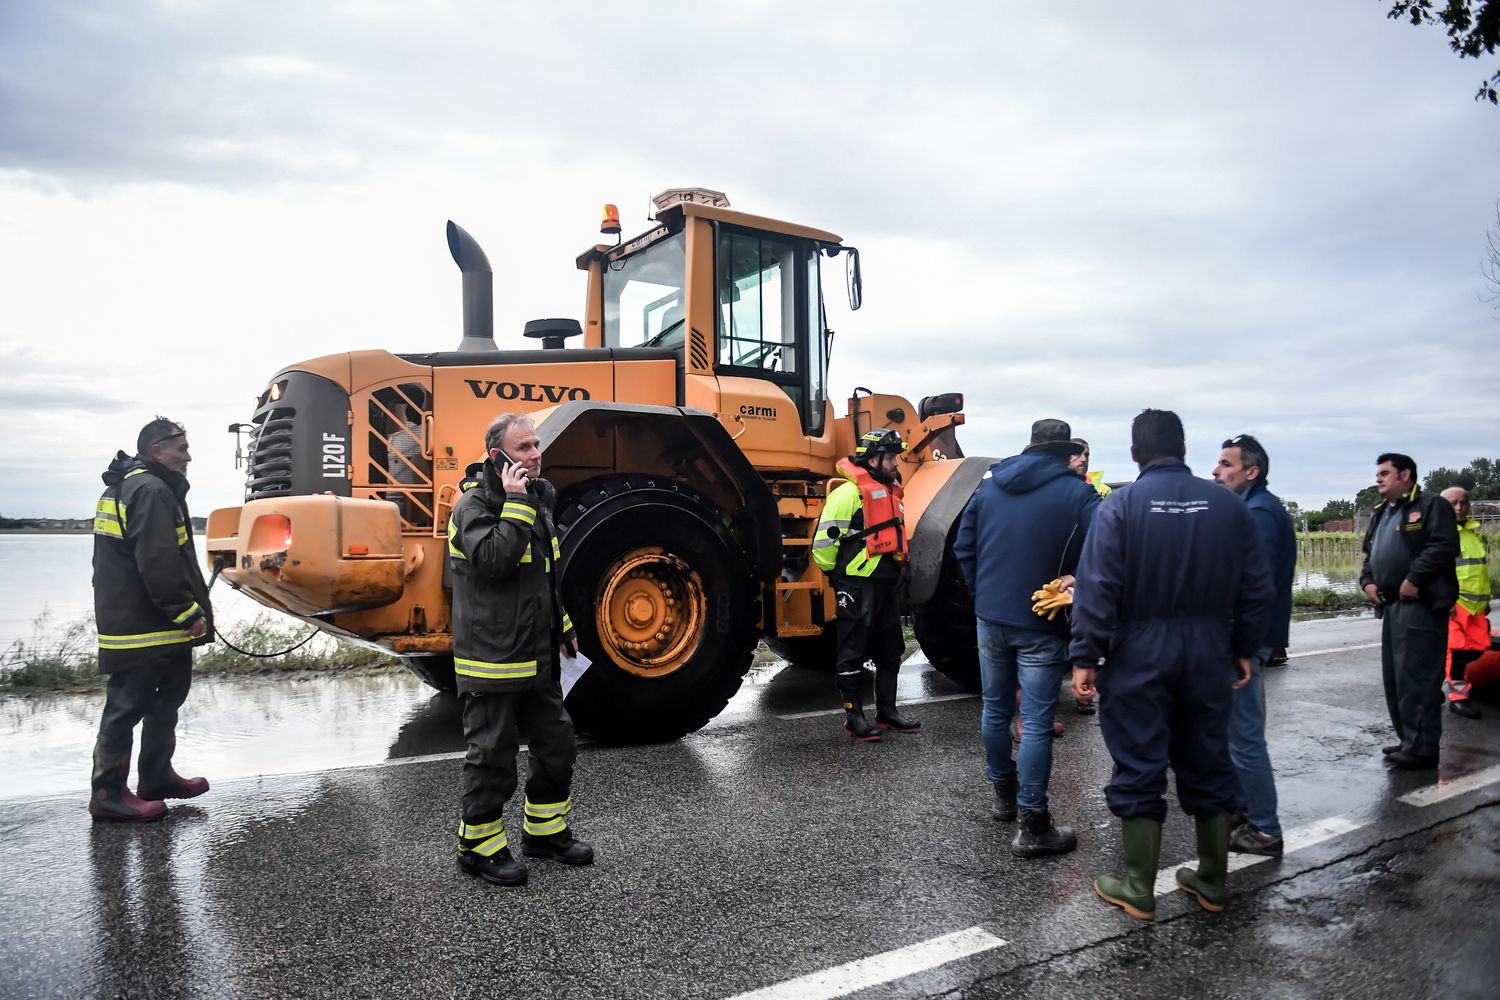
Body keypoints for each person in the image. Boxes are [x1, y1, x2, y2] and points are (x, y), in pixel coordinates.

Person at [1072, 409, 1273, 920]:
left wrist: (1085, 656)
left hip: (1139, 649)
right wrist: (1244, 648)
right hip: (1209, 648)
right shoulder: (1229, 508)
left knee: (1139, 760)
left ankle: (1139, 885)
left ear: (1136, 452)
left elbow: (1097, 589)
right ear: (1183, 449)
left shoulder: (1120, 507)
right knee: (1208, 757)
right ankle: (1211, 879)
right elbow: (1256, 588)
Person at [448, 412, 592, 887]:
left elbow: (543, 575)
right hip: (491, 659)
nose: (536, 454)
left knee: (557, 745)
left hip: (539, 653)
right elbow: (494, 562)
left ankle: (544, 833)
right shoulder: (472, 507)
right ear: (498, 457)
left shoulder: (537, 499)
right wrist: (514, 504)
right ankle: (479, 848)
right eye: (525, 447)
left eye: (536, 445)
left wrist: (563, 623)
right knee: (492, 756)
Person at [955, 418, 1100, 857]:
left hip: (990, 616)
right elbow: (1108, 550)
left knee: (996, 708)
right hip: (1041, 620)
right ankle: (1032, 823)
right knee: (1035, 721)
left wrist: (986, 596)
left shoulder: (990, 486)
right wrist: (1076, 584)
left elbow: (965, 548)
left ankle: (1003, 794)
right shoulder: (1079, 494)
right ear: (1064, 453)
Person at [89, 417, 214, 822]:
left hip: (155, 625)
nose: (188, 455)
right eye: (181, 448)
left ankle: (157, 777)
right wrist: (186, 611)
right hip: (142, 627)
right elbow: (157, 562)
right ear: (156, 451)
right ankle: (108, 794)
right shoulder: (149, 489)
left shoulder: (142, 486)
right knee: (125, 709)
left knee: (166, 702)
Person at [1212, 434, 1296, 857]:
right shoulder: (1251, 508)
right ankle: (1243, 809)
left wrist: (1240, 646)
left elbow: (1252, 590)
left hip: (1247, 641)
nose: (1216, 471)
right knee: (1235, 734)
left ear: (1252, 471)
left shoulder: (1260, 515)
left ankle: (1264, 828)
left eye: (1226, 464)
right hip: (1246, 638)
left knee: (1244, 738)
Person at [813, 428, 921, 742]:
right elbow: (823, 545)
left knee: (891, 649)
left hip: (888, 582)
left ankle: (887, 712)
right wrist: (838, 576)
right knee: (852, 651)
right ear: (873, 459)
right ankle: (854, 717)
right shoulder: (847, 494)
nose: (895, 464)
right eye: (890, 458)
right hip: (857, 583)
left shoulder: (893, 491)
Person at [1359, 454, 1459, 769]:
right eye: (1378, 473)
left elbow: (1443, 546)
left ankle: (1422, 748)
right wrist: (1367, 582)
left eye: (1385, 473)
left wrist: (1414, 578)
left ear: (1406, 475)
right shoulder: (1381, 513)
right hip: (1391, 607)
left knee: (1418, 677)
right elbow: (1369, 554)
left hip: (1421, 606)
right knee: (1397, 678)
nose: (1378, 478)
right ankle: (1408, 739)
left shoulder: (1430, 505)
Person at [1440, 486, 1488, 720]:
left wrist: (1485, 601)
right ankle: (1458, 699)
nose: (1459, 507)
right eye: (1452, 503)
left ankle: (1428, 689)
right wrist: (1446, 603)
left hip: (1475, 607)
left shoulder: (1471, 534)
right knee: (1457, 652)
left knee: (1477, 648)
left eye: (1463, 502)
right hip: (1453, 604)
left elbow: (1478, 571)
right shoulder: (1437, 534)